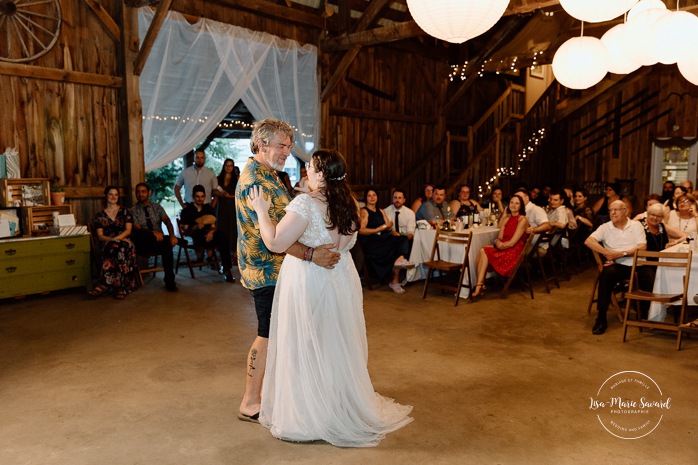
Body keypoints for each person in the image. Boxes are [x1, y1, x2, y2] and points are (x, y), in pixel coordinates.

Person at [248, 148, 413, 446]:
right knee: (335, 339)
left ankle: (311, 414)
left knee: (307, 341)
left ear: (321, 173)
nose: (306, 172)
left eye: (310, 167)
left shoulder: (306, 204)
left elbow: (274, 242)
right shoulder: (350, 202)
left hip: (310, 279)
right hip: (341, 276)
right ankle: (337, 404)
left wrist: (261, 209)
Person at [236, 118, 340, 425]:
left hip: (278, 269)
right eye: (282, 145)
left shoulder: (269, 174)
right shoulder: (257, 182)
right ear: (261, 144)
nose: (287, 151)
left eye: (289, 145)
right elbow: (272, 239)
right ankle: (250, 402)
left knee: (279, 333)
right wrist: (310, 254)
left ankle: (273, 394)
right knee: (267, 334)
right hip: (266, 270)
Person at [584, 200, 647, 335]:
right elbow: (588, 241)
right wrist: (607, 253)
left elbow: (642, 246)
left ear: (625, 211)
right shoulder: (605, 227)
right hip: (618, 266)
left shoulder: (636, 225)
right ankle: (601, 318)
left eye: (616, 210)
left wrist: (621, 253)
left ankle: (647, 312)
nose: (612, 213)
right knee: (606, 275)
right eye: (610, 210)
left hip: (638, 264)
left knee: (653, 275)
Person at [472, 195, 530, 299]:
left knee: (484, 251)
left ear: (521, 206)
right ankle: (480, 284)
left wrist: (501, 245)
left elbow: (512, 243)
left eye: (517, 203)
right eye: (512, 202)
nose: (513, 205)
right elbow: (499, 237)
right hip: (503, 247)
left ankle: (479, 285)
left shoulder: (523, 220)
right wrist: (496, 242)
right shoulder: (506, 219)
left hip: (514, 252)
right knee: (482, 250)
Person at [359, 188, 414, 294]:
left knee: (402, 239)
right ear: (366, 198)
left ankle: (399, 266)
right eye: (369, 195)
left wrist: (390, 227)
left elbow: (388, 226)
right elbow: (361, 230)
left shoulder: (381, 211)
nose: (372, 197)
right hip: (371, 241)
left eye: (374, 195)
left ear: (377, 197)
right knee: (395, 249)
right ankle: (395, 280)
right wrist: (378, 229)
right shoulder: (364, 211)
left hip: (382, 239)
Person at [89, 186, 138, 300]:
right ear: (106, 196)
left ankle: (104, 284)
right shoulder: (99, 216)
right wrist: (113, 240)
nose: (113, 197)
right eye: (111, 194)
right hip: (108, 243)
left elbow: (128, 231)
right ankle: (120, 287)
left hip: (125, 242)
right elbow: (100, 236)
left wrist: (116, 239)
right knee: (114, 247)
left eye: (116, 194)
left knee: (117, 247)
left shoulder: (125, 211)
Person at [180, 185, 235, 283]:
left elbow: (213, 226)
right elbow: (185, 230)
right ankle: (209, 260)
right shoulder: (187, 211)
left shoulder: (208, 209)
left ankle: (226, 269)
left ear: (205, 197)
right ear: (193, 197)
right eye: (197, 196)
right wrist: (196, 227)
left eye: (202, 196)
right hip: (197, 238)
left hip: (210, 237)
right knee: (202, 235)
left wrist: (211, 232)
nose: (200, 199)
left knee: (222, 236)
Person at [130, 182, 179, 292]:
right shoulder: (132, 210)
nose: (140, 194)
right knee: (142, 233)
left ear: (149, 193)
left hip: (160, 241)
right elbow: (137, 228)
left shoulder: (157, 207)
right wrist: (152, 232)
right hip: (143, 243)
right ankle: (179, 241)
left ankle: (169, 280)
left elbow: (167, 221)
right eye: (138, 192)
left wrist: (172, 235)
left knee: (167, 245)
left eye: (143, 191)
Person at [213, 158, 238, 254]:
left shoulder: (236, 179)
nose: (228, 167)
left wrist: (229, 196)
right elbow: (213, 191)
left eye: (230, 165)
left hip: (232, 206)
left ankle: (233, 252)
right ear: (224, 166)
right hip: (221, 206)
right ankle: (222, 251)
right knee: (222, 228)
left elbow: (240, 194)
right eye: (227, 165)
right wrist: (217, 193)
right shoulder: (218, 178)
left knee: (232, 229)